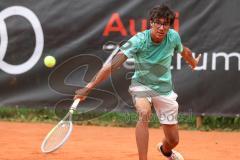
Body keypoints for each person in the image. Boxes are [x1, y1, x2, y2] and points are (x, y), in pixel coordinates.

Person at [74, 4, 201, 160]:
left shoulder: (173, 37)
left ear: (169, 26)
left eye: (166, 24)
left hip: (164, 90)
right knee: (144, 113)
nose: (161, 27)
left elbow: (184, 50)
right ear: (151, 23)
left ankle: (165, 150)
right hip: (141, 85)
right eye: (158, 23)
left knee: (173, 141)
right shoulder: (138, 40)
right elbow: (112, 65)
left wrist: (193, 62)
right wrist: (89, 87)